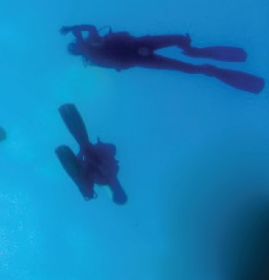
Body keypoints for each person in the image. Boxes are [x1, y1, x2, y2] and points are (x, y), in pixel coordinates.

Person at [60, 24, 264, 94]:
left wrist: (73, 28)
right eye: (75, 46)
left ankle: (197, 55)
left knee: (179, 40)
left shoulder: (92, 43)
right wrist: (71, 30)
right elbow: (84, 34)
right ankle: (206, 67)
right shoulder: (90, 52)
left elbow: (89, 29)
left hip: (139, 46)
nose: (78, 43)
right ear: (78, 50)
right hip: (139, 56)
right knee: (184, 65)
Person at [55, 103, 127, 204]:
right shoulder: (110, 172)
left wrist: (82, 153)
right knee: (85, 146)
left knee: (85, 147)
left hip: (92, 158)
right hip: (94, 155)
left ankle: (86, 188)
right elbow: (100, 162)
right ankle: (86, 187)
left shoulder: (105, 178)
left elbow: (89, 169)